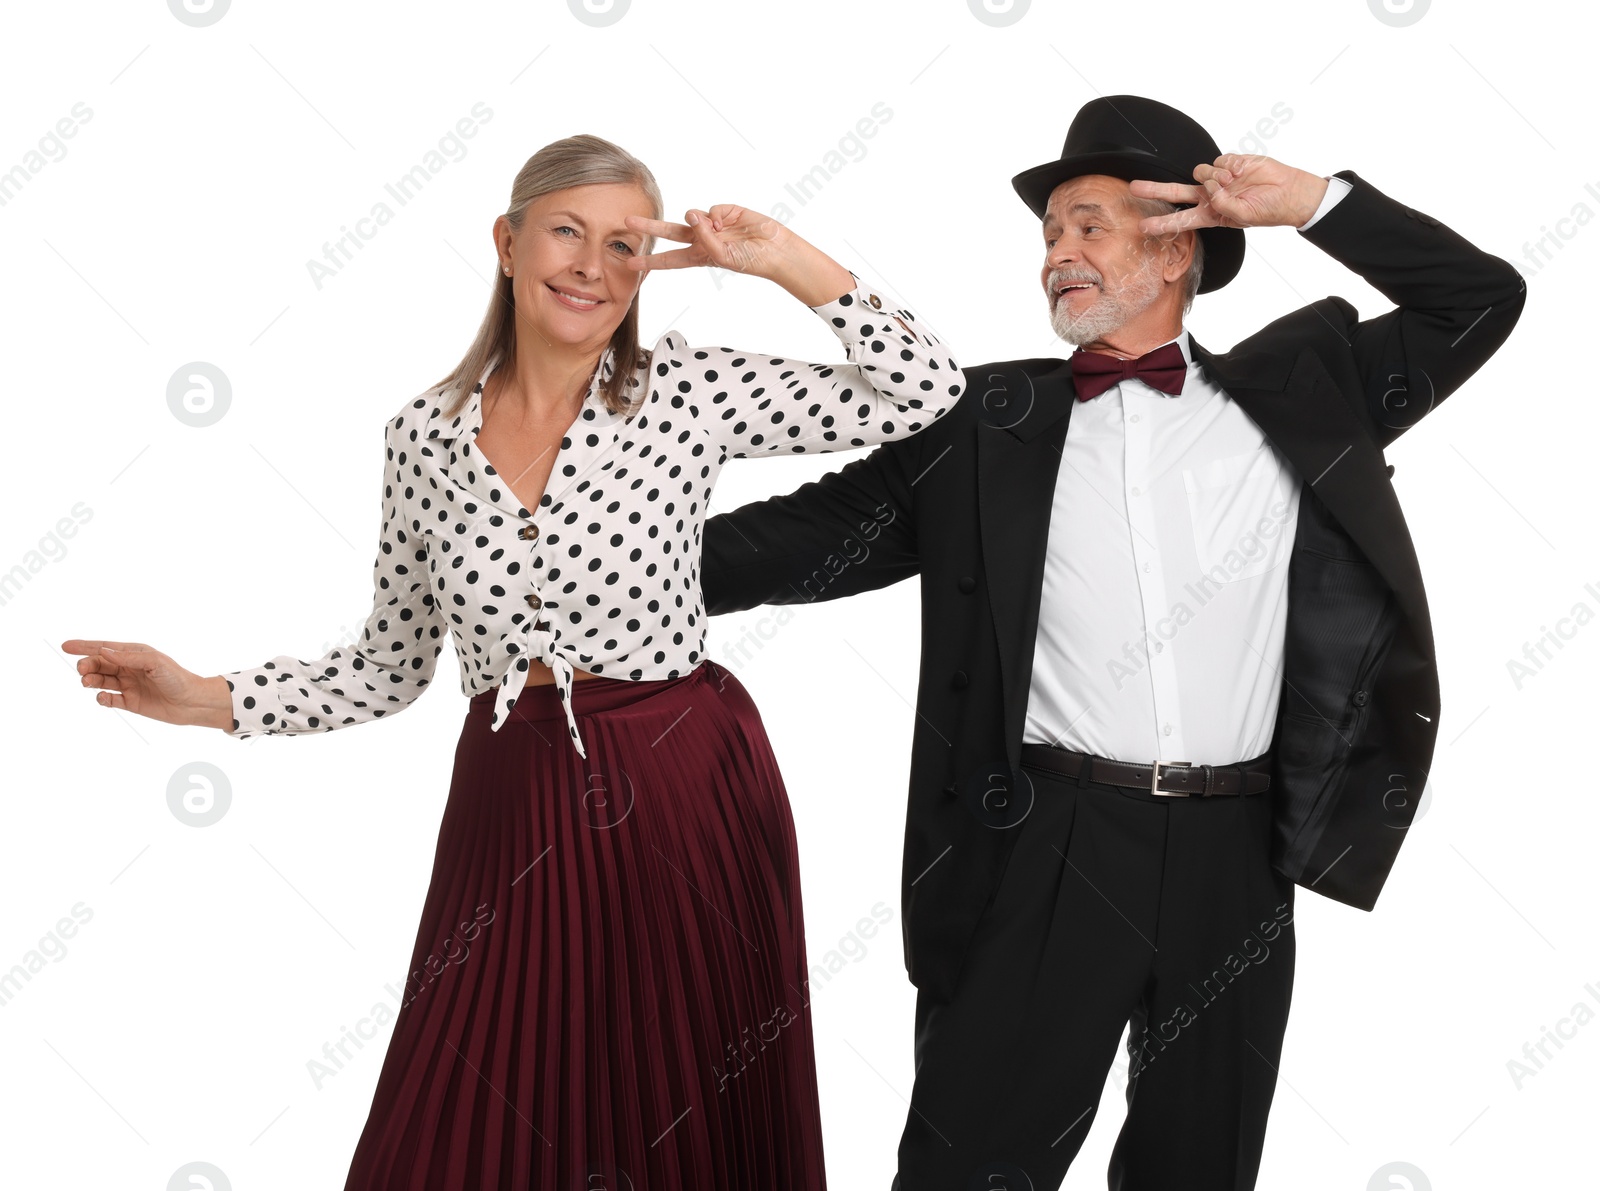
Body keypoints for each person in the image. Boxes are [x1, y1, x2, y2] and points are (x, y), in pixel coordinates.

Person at [62, 132, 964, 1190]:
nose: (592, 267)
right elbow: (389, 665)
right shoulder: (423, 436)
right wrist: (207, 700)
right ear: (507, 240)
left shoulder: (689, 391)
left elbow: (922, 390)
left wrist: (775, 257)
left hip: (682, 780)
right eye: (567, 234)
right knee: (461, 1110)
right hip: (511, 796)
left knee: (681, 1099)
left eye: (625, 246)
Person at [700, 95, 1525, 1189]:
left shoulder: (1305, 392)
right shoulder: (976, 422)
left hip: (1239, 853)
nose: (1057, 255)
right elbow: (768, 549)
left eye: (1087, 224)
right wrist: (562, 555)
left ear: (1176, 245)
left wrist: (1309, 204)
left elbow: (1476, 301)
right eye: (1048, 235)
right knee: (968, 1164)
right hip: (1043, 841)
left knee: (1199, 1166)